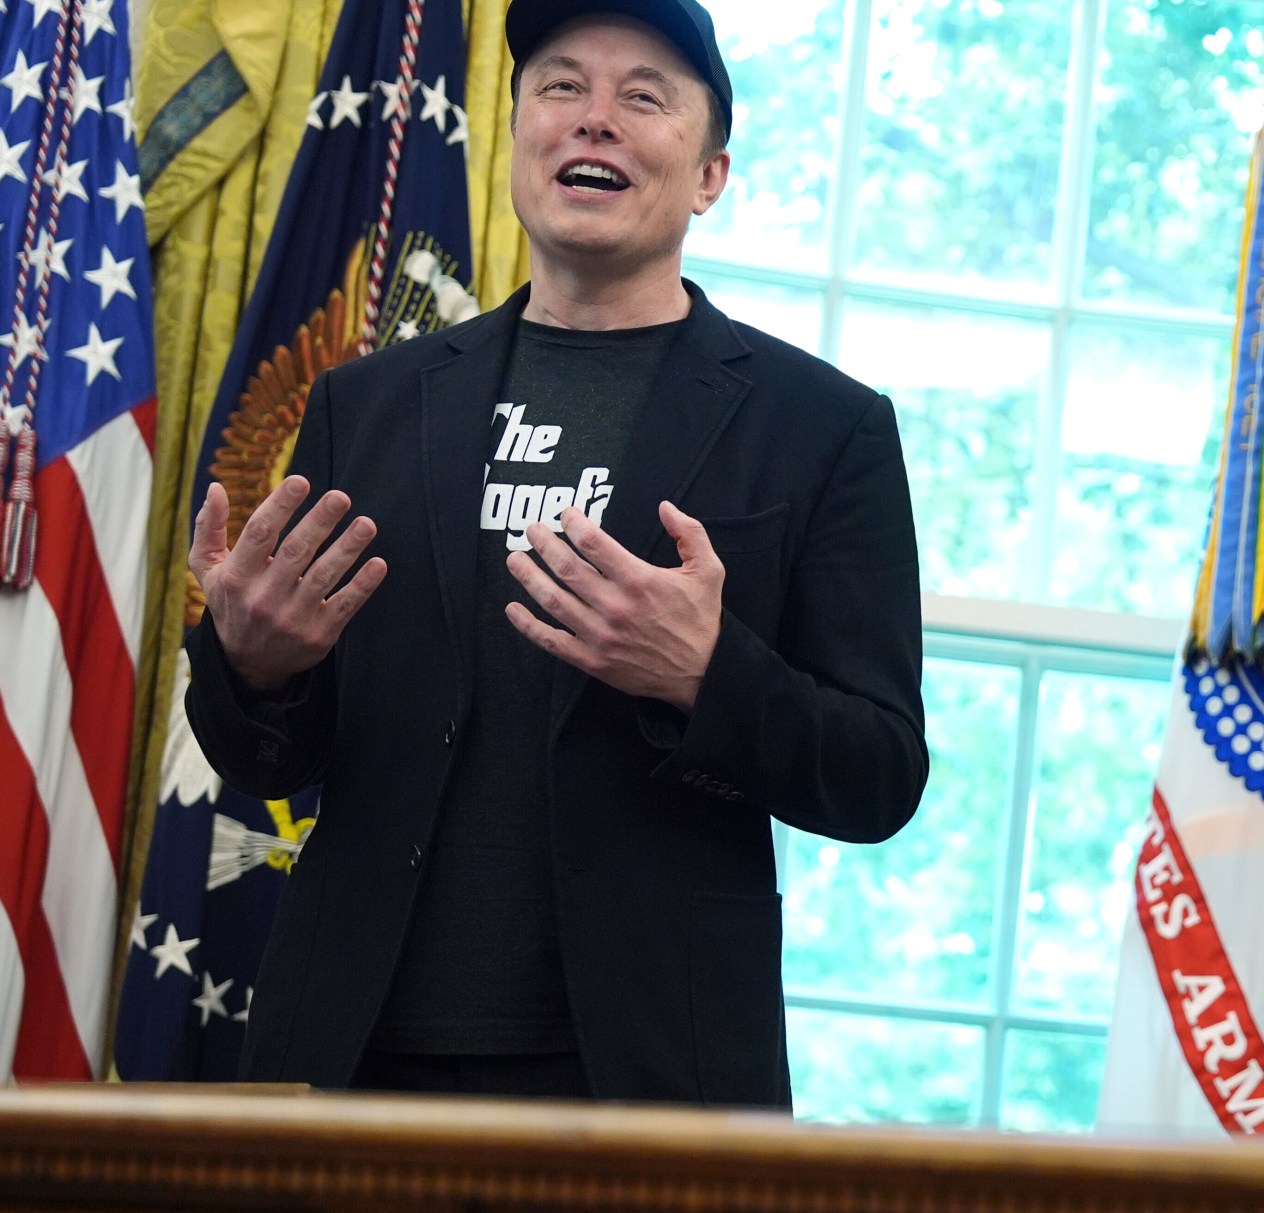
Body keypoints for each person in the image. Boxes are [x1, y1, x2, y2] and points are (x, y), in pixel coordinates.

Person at [181, 0, 926, 1106]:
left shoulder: (823, 428)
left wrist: (704, 675)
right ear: (520, 133)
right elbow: (274, 762)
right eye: (562, 87)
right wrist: (255, 668)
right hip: (353, 1046)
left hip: (644, 1064)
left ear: (710, 173)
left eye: (644, 97)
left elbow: (877, 775)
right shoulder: (368, 403)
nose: (595, 120)